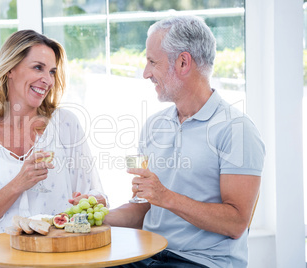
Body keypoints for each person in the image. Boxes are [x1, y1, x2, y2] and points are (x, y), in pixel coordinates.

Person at [104, 15, 265, 268]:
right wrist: (95, 218)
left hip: (201, 262)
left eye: (152, 62)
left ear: (182, 62)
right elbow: (143, 209)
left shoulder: (237, 129)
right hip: (148, 256)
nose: (146, 74)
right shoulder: (153, 126)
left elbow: (235, 223)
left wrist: (166, 197)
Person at [0, 30, 107, 267]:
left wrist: (91, 201)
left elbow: (95, 193)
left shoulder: (65, 124)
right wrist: (18, 183)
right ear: (10, 70)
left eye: (52, 71)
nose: (47, 79)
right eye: (38, 67)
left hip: (56, 249)